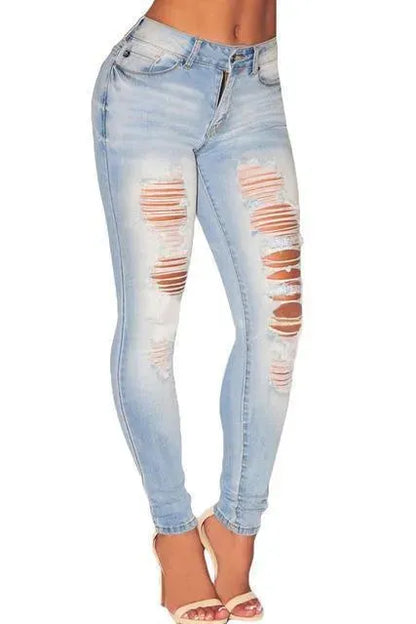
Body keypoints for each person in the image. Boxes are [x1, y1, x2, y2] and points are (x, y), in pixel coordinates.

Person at [92, 1, 302, 621]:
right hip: (156, 82)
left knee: (279, 321)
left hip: (256, 85)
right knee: (153, 326)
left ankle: (237, 525)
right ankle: (174, 533)